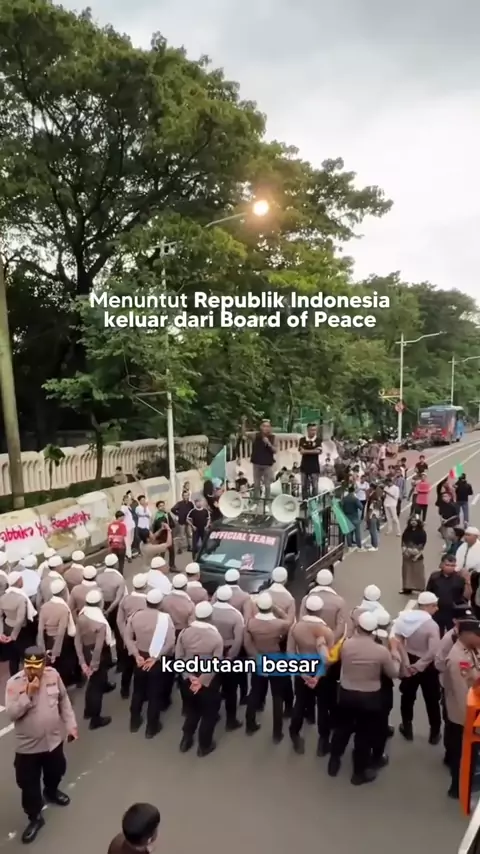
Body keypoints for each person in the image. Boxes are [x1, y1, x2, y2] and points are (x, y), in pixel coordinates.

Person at [5, 646, 77, 844]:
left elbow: (63, 700)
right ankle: (35, 817)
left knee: (57, 770)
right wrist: (28, 694)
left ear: (44, 664)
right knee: (28, 785)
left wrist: (71, 725)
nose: (33, 671)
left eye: (37, 666)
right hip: (28, 747)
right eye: (29, 667)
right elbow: (12, 714)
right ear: (24, 665)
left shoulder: (53, 675)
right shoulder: (14, 683)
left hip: (53, 741)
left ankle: (51, 791)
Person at [327, 611, 401, 785]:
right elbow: (393, 673)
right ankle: (358, 773)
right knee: (363, 735)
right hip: (370, 697)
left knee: (342, 729)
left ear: (358, 626)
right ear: (373, 629)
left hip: (346, 693)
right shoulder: (381, 651)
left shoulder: (346, 644)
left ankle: (334, 762)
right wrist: (396, 655)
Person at [125, 588, 175, 738]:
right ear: (160, 603)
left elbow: (127, 638)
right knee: (155, 694)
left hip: (140, 658)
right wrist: (156, 658)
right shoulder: (165, 618)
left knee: (138, 691)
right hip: (156, 661)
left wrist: (136, 655)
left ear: (146, 601)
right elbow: (170, 642)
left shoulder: (135, 616)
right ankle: (152, 727)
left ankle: (134, 722)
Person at [176, 601, 223, 756]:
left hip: (188, 679)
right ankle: (204, 746)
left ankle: (186, 740)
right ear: (210, 617)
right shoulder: (216, 637)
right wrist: (201, 681)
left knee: (192, 710)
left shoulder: (184, 633)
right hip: (208, 681)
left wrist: (189, 677)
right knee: (209, 714)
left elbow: (179, 657)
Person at [393, 592, 442, 743]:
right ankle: (434, 733)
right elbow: (433, 651)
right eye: (434, 605)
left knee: (407, 697)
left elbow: (398, 639)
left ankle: (407, 727)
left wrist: (407, 662)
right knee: (432, 700)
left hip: (410, 659)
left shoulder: (406, 619)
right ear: (427, 606)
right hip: (428, 665)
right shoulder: (432, 626)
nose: (436, 608)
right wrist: (420, 666)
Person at [288, 594, 333, 754]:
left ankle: (295, 734)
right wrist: (317, 677)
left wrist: (302, 673)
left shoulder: (296, 628)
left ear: (306, 609)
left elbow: (290, 653)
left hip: (302, 668)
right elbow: (328, 660)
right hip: (320, 672)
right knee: (323, 707)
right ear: (320, 611)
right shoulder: (327, 631)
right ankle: (323, 742)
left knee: (300, 703)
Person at [243, 592, 290, 742]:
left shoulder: (250, 623)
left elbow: (247, 643)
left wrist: (257, 657)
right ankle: (277, 733)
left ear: (257, 606)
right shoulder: (279, 624)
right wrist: (277, 609)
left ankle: (250, 724)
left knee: (255, 692)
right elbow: (290, 621)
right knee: (277, 696)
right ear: (270, 607)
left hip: (259, 658)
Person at [443, 619, 480, 799]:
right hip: (462, 717)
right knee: (464, 755)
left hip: (469, 711)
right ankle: (458, 788)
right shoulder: (458, 659)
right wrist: (471, 724)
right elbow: (461, 695)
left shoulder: (469, 649)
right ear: (466, 634)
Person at [74, 588, 114, 729]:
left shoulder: (81, 616)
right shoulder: (100, 623)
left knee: (92, 684)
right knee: (96, 687)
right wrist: (94, 665)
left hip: (86, 651)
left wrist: (82, 662)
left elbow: (77, 640)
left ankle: (88, 711)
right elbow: (98, 647)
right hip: (96, 655)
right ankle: (95, 719)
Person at [211, 585, 244, 730]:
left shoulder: (209, 611)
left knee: (213, 686)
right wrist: (231, 656)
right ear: (230, 598)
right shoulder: (236, 615)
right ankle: (231, 721)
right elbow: (238, 639)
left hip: (211, 652)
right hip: (227, 652)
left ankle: (213, 714)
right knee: (231, 690)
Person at [37, 577, 78, 687]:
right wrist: (56, 652)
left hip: (48, 639)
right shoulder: (63, 609)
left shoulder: (44, 607)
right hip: (62, 642)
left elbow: (40, 629)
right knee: (65, 665)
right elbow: (61, 633)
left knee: (53, 666)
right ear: (63, 592)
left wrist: (42, 648)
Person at [117, 573, 148, 700]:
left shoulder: (125, 600)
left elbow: (119, 620)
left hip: (128, 635)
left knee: (127, 666)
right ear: (145, 586)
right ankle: (141, 693)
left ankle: (124, 690)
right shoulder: (148, 601)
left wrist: (125, 636)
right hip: (141, 638)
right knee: (141, 667)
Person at [0, 571, 37, 675]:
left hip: (8, 627)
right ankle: (31, 676)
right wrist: (13, 636)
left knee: (13, 657)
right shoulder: (21, 598)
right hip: (22, 631)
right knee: (27, 655)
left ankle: (14, 677)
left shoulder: (2, 598)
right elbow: (20, 619)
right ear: (19, 581)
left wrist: (1, 633)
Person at [426, 554, 470, 636]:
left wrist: (468, 581)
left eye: (453, 565)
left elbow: (465, 596)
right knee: (436, 634)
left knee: (452, 636)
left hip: (453, 613)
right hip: (437, 611)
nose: (450, 568)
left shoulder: (459, 579)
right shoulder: (434, 577)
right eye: (447, 565)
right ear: (442, 564)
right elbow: (428, 593)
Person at [250, 419, 276, 499]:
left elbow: (275, 450)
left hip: (267, 464)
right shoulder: (256, 436)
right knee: (256, 484)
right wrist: (243, 422)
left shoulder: (272, 437)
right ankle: (256, 502)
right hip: (256, 463)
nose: (266, 428)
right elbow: (244, 435)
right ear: (261, 427)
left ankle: (267, 502)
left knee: (267, 485)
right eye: (264, 426)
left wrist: (268, 443)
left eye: (268, 426)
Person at [400, 517, 427, 595]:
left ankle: (420, 588)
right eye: (412, 520)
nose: (413, 522)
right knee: (406, 572)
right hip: (407, 555)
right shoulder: (406, 532)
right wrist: (404, 550)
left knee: (418, 572)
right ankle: (406, 588)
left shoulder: (422, 533)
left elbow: (422, 544)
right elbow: (403, 542)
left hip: (417, 554)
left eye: (415, 521)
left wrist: (417, 554)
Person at [298, 423, 322, 499]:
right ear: (308, 430)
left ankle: (314, 502)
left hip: (314, 467)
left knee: (315, 486)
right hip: (304, 466)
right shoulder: (302, 440)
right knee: (304, 486)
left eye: (315, 430)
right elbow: (301, 451)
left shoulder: (318, 440)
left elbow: (318, 451)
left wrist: (306, 451)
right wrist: (313, 450)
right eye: (311, 430)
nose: (313, 432)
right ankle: (305, 502)